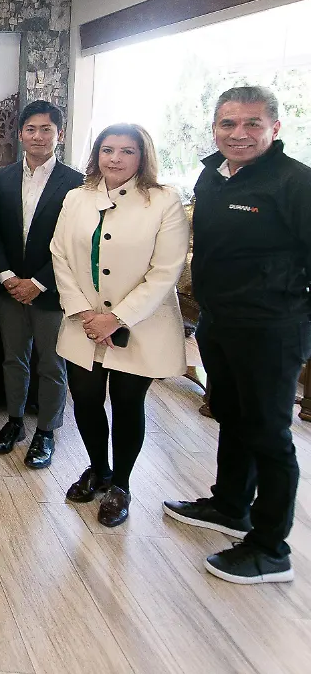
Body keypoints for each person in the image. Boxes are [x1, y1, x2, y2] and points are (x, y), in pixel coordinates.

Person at [163, 86, 311, 584]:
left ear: (275, 128)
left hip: (272, 328)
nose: (239, 134)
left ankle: (271, 549)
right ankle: (230, 505)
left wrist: (296, 317)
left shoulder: (295, 182)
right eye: (228, 124)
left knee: (268, 433)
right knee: (230, 415)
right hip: (220, 321)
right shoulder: (213, 175)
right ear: (215, 128)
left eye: (252, 124)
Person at [51, 123, 187, 527]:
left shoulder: (163, 201)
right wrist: (84, 312)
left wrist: (116, 318)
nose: (115, 158)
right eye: (108, 149)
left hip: (139, 325)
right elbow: (59, 254)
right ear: (97, 154)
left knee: (128, 403)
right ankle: (98, 469)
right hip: (84, 322)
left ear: (142, 156)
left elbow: (165, 271)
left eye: (127, 151)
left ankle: (121, 485)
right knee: (85, 398)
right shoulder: (77, 197)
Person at [0, 100, 84, 470]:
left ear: (59, 134)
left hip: (53, 290)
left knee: (52, 363)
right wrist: (7, 276)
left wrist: (39, 283)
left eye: (46, 129)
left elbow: (75, 243)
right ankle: (15, 421)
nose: (38, 136)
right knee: (14, 358)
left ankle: (46, 430)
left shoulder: (77, 184)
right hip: (9, 287)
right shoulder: (1, 178)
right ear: (20, 134)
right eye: (31, 129)